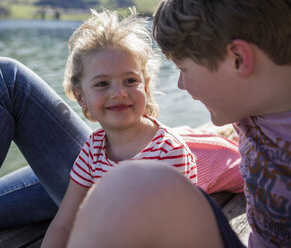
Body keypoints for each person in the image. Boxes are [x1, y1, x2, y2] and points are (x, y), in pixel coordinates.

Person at [0, 7, 243, 248]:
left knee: (2, 77)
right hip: (95, 210)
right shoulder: (93, 149)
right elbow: (63, 223)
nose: (118, 92)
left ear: (146, 84)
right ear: (81, 99)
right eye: (102, 84)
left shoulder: (169, 153)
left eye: (130, 81)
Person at [66, 1, 291, 248]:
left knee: (125, 181)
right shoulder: (250, 109)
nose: (181, 84)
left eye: (183, 69)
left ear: (237, 59)